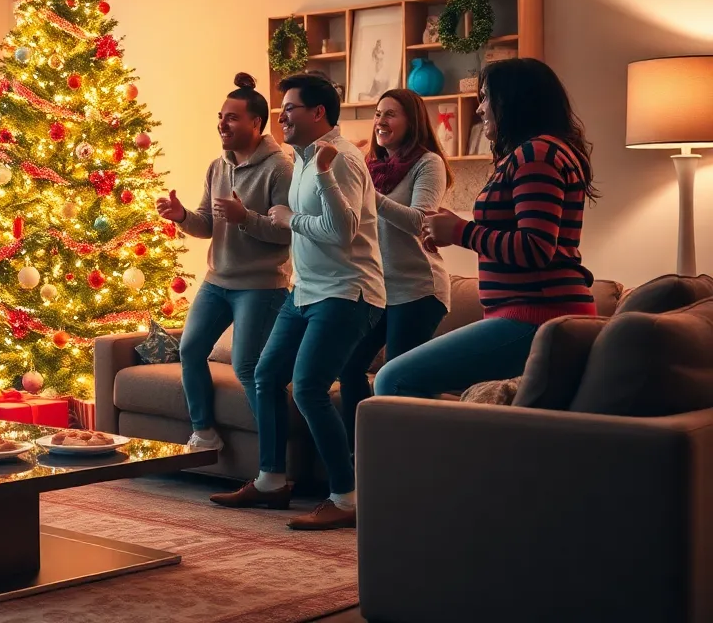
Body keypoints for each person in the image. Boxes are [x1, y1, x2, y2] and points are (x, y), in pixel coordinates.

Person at [209, 72, 384, 531]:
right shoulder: (304, 158)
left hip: (346, 291)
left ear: (318, 112)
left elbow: (341, 232)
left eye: (289, 108)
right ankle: (270, 481)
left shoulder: (338, 160)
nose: (281, 116)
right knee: (266, 375)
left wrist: (290, 218)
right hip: (305, 291)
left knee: (307, 388)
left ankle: (346, 497)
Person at [375, 58, 598, 398]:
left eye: (485, 97)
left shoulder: (536, 154)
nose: (479, 109)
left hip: (538, 315)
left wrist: (459, 232)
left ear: (513, 101)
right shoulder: (534, 153)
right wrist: (449, 226)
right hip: (531, 314)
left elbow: (536, 247)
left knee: (393, 379)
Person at [155, 72, 293, 451]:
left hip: (260, 287)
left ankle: (277, 456)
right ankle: (205, 433)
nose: (222, 124)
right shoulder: (218, 166)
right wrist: (182, 216)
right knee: (190, 350)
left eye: (232, 117)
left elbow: (288, 232)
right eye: (220, 116)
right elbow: (207, 224)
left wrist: (245, 217)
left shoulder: (280, 168)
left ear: (256, 123)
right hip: (217, 282)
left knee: (248, 368)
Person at [337, 89, 452, 447]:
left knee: (397, 378)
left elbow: (420, 221)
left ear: (411, 121)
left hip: (418, 289)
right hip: (378, 290)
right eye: (377, 114)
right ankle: (359, 457)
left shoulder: (428, 163)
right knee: (348, 366)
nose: (380, 121)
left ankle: (403, 459)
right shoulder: (370, 166)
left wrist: (370, 195)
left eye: (390, 114)